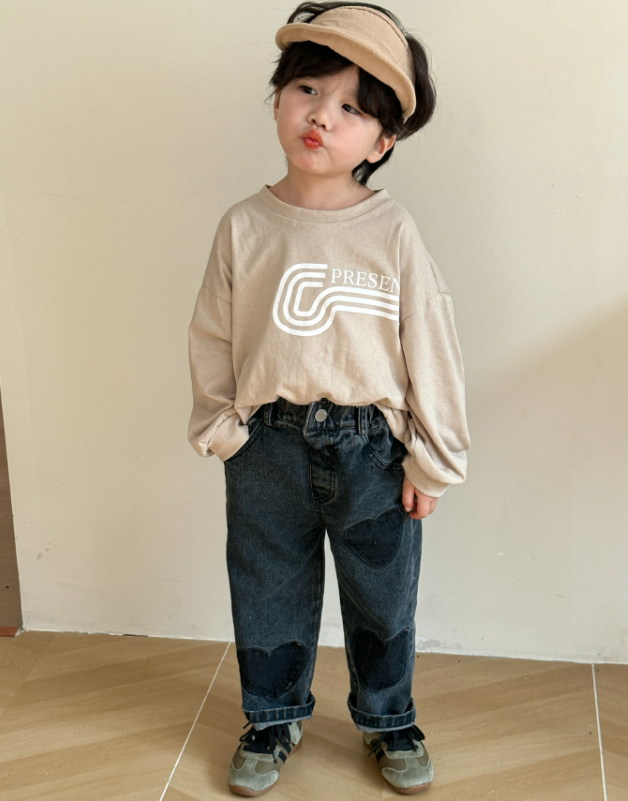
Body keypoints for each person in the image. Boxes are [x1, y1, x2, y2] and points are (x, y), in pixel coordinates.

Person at [187, 2, 470, 795]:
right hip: (266, 445)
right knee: (266, 585)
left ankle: (389, 717)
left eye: (351, 107)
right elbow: (211, 332)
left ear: (381, 142)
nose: (322, 115)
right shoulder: (244, 226)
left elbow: (431, 342)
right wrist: (222, 428)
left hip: (374, 448)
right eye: (308, 89)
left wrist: (434, 460)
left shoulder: (392, 230)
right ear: (279, 97)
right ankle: (271, 716)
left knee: (383, 595)